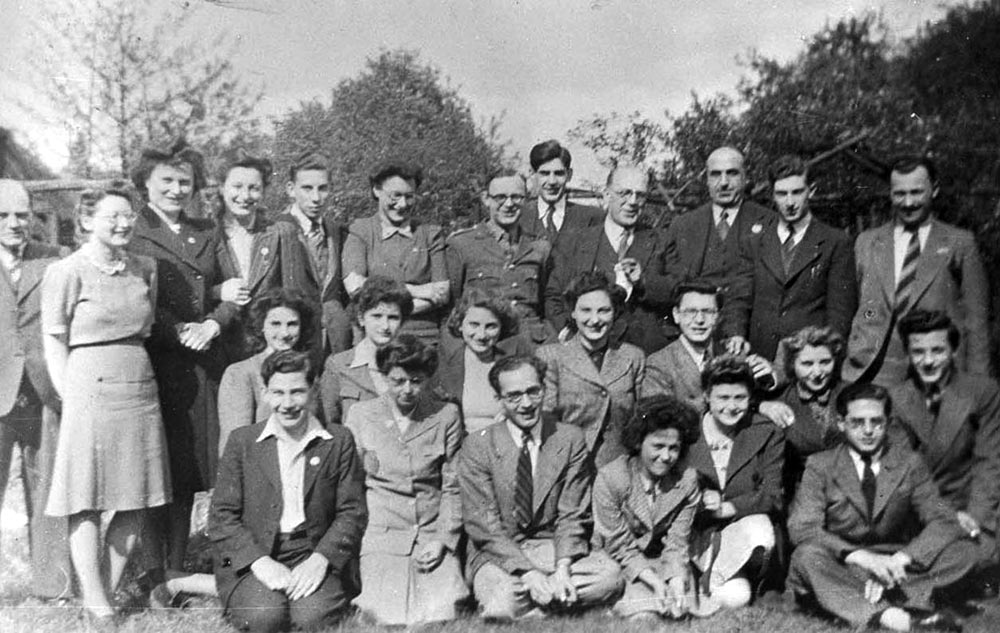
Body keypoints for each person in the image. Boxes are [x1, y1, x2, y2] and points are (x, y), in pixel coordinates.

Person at [41, 184, 172, 621]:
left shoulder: (145, 268)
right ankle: (96, 602)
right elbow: (53, 338)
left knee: (135, 495)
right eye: (111, 216)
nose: (122, 223)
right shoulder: (66, 271)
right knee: (86, 496)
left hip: (138, 386)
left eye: (128, 215)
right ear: (85, 221)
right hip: (87, 388)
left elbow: (147, 326)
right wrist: (69, 394)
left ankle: (106, 589)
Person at [128, 140, 239, 584]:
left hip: (199, 363)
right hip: (155, 360)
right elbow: (136, 296)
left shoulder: (206, 231)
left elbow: (233, 290)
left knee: (187, 465)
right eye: (167, 181)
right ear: (146, 183)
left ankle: (174, 565)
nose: (176, 189)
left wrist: (213, 323)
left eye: (184, 182)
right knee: (154, 465)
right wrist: (176, 330)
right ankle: (151, 566)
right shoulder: (133, 229)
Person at [787, 382, 976, 632]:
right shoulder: (820, 465)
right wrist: (864, 559)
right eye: (857, 422)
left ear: (887, 423)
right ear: (841, 423)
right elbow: (803, 527)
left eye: (876, 422)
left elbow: (943, 519)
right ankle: (894, 618)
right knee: (806, 556)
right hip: (843, 560)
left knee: (964, 551)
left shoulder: (909, 463)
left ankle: (859, 598)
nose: (868, 431)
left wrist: (902, 559)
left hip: (894, 564)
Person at [209, 350, 367, 633]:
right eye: (278, 393)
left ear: (313, 391)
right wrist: (260, 562)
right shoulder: (242, 442)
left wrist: (321, 559)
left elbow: (352, 511)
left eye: (297, 392)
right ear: (265, 394)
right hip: (256, 553)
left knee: (310, 619)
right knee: (265, 617)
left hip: (312, 550)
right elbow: (221, 516)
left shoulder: (337, 440)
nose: (287, 403)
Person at [459, 355, 622, 620]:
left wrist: (562, 569)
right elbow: (484, 526)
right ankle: (558, 599)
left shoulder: (569, 438)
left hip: (552, 547)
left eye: (533, 392)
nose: (526, 404)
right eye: (514, 396)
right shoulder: (478, 445)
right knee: (503, 599)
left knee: (610, 577)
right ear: (498, 399)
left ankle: (544, 598)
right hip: (499, 553)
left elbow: (573, 513)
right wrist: (529, 574)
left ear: (544, 390)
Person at [344, 335, 467, 625]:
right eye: (398, 381)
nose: (407, 390)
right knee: (383, 614)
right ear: (384, 377)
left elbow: (453, 485)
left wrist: (442, 539)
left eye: (416, 381)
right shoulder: (361, 415)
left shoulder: (446, 414)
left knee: (442, 612)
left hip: (430, 528)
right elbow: (351, 485)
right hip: (382, 532)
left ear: (428, 378)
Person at [844, 155, 990, 386]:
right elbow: (848, 308)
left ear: (934, 190)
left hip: (935, 372)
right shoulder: (866, 242)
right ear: (890, 194)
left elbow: (976, 321)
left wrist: (978, 384)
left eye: (916, 192)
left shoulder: (959, 243)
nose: (908, 202)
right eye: (899, 194)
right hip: (874, 372)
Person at [0, 179, 71, 599]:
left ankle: (54, 587)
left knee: (48, 490)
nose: (14, 223)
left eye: (21, 215)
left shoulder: (55, 259)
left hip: (43, 393)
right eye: (3, 215)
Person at [890, 310, 1000, 569]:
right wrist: (947, 517)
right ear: (907, 354)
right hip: (925, 514)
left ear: (953, 351)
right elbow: (905, 474)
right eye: (918, 352)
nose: (928, 361)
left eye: (937, 351)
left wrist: (974, 518)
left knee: (969, 557)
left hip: (974, 511)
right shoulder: (897, 398)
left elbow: (989, 464)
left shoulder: (982, 392)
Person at [729, 155, 856, 362]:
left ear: (811, 191)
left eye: (797, 192)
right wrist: (736, 333)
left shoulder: (835, 242)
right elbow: (739, 298)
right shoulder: (754, 242)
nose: (789, 202)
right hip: (759, 358)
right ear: (772, 195)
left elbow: (839, 315)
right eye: (781, 194)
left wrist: (823, 360)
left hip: (809, 362)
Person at [592, 395, 703, 620]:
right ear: (638, 442)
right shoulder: (611, 478)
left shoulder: (687, 481)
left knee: (680, 609)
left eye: (673, 448)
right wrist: (654, 582)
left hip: (661, 559)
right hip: (618, 561)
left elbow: (678, 542)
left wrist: (676, 579)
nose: (666, 456)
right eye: (658, 446)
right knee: (645, 615)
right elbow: (618, 546)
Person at [686, 355, 784, 609]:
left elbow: (772, 495)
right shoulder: (687, 428)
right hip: (693, 534)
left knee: (738, 595)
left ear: (751, 397)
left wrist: (725, 508)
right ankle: (696, 580)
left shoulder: (766, 431)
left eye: (739, 397)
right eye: (723, 398)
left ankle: (703, 584)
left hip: (737, 533)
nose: (731, 406)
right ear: (707, 396)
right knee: (734, 596)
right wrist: (699, 502)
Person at [544, 164, 672, 354]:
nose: (632, 202)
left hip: (645, 351)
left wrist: (642, 282)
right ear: (606, 195)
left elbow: (675, 291)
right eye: (624, 193)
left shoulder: (662, 240)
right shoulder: (574, 241)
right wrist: (567, 333)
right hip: (584, 350)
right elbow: (553, 295)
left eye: (640, 195)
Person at [659, 146, 770, 348]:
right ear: (707, 180)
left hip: (752, 338)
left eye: (732, 173)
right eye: (716, 174)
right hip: (695, 339)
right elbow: (673, 281)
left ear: (745, 178)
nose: (724, 182)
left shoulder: (769, 222)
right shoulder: (683, 225)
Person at [212, 152, 316, 362]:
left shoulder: (281, 233)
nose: (245, 196)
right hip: (218, 348)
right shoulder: (206, 234)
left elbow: (297, 301)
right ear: (222, 188)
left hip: (269, 351)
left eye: (254, 188)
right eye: (237, 186)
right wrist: (216, 291)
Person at [537, 271, 645, 468]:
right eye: (586, 310)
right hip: (566, 467)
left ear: (615, 312)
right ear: (573, 312)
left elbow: (640, 420)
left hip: (618, 468)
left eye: (604, 311)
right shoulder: (551, 357)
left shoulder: (633, 357)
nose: (595, 320)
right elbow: (546, 418)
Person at [342, 162, 449, 345]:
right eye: (396, 196)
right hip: (373, 336)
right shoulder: (362, 231)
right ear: (377, 190)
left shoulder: (430, 234)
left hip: (423, 337)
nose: (402, 204)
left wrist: (382, 302)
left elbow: (441, 293)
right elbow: (355, 287)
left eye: (409, 196)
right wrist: (418, 290)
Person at [445, 169, 554, 345]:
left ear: (526, 200)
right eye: (500, 197)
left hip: (529, 344)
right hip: (483, 344)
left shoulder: (540, 247)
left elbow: (546, 304)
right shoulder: (461, 245)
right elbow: (451, 309)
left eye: (517, 197)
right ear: (486, 199)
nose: (509, 204)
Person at [643, 281, 778, 413]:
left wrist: (766, 379)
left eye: (708, 312)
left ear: (718, 316)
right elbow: (660, 416)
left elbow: (756, 393)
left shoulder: (733, 355)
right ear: (676, 315)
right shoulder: (659, 364)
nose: (699, 320)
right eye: (690, 312)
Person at [218, 288, 319, 456]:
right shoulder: (241, 373)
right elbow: (235, 445)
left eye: (292, 324)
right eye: (275, 324)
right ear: (261, 326)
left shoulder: (307, 371)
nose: (284, 333)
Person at [273, 150, 351, 356]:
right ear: (291, 189)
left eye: (323, 188)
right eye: (307, 188)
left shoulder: (338, 232)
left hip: (335, 345)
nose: (316, 198)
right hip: (292, 345)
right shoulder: (275, 232)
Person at [432, 289, 533, 433]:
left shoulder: (514, 365)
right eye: (474, 325)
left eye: (491, 326)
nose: (481, 335)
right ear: (460, 325)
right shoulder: (445, 365)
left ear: (502, 328)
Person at [319, 276, 412, 425]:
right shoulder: (338, 366)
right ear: (361, 318)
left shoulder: (412, 364)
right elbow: (328, 423)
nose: (385, 326)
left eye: (393, 318)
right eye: (377, 316)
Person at [518, 139, 603, 243]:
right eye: (544, 173)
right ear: (533, 174)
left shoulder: (593, 217)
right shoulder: (520, 216)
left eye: (559, 173)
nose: (552, 181)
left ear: (569, 175)